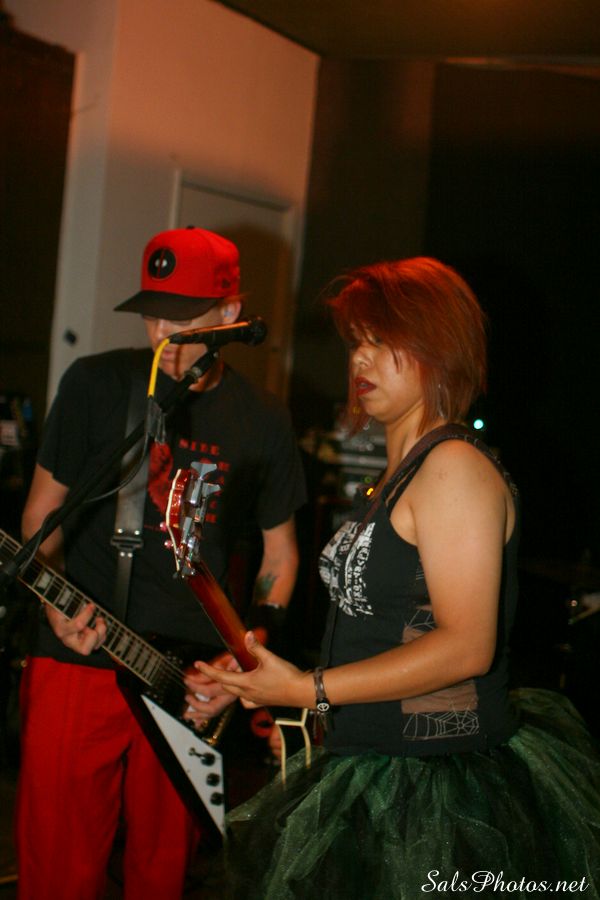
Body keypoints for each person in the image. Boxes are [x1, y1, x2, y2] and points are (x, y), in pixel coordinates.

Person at [199, 257, 600, 899]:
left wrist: (308, 689)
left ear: (440, 349)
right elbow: (383, 631)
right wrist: (296, 695)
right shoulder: (399, 474)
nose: (360, 359)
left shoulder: (452, 468)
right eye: (357, 341)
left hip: (435, 787)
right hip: (375, 764)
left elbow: (466, 646)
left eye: (382, 341)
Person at [15, 226, 306, 900]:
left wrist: (247, 657)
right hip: (80, 659)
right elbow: (40, 516)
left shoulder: (264, 418)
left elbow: (281, 554)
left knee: (163, 871)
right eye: (153, 316)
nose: (164, 337)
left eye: (185, 320)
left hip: (193, 680)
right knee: (57, 868)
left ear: (231, 314)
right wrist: (54, 606)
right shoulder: (95, 383)